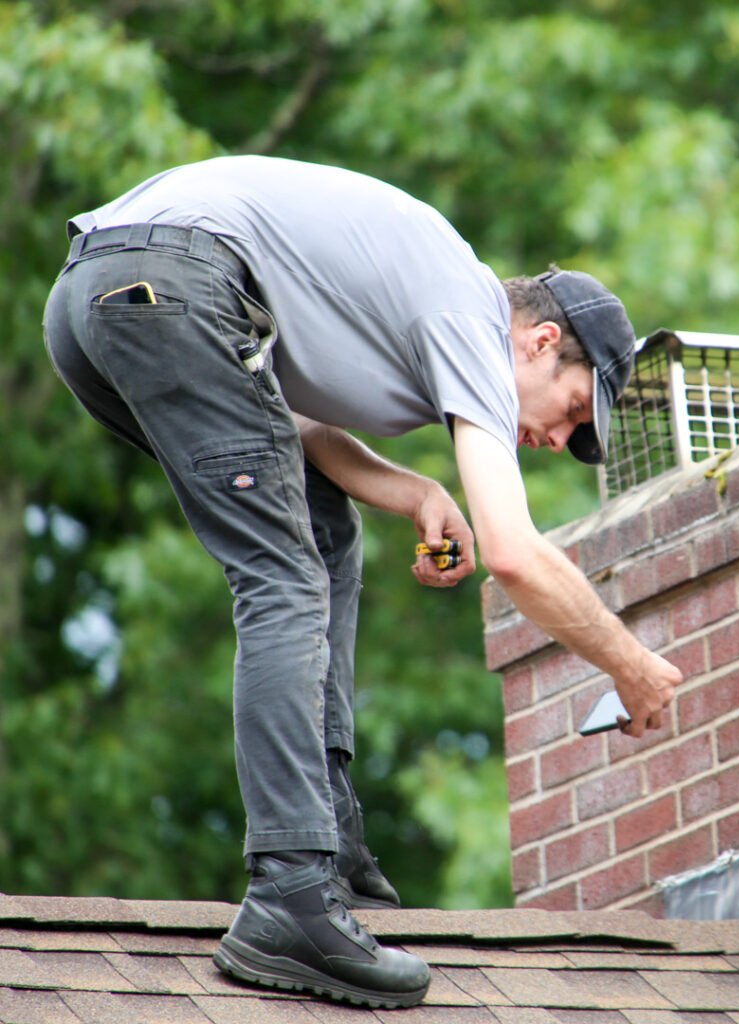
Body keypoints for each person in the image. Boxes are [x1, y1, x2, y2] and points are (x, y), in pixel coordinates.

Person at [42, 155, 683, 1009]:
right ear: (538, 342)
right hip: (170, 285)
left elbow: (284, 420)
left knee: (321, 528)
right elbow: (516, 553)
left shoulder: (409, 293)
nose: (560, 439)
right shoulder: (468, 307)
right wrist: (631, 664)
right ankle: (291, 894)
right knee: (282, 579)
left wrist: (414, 489)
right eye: (571, 411)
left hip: (100, 297)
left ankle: (331, 841)